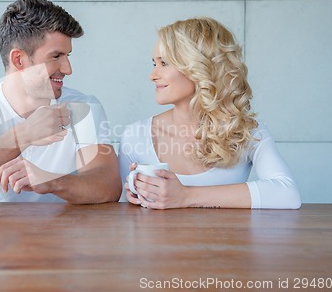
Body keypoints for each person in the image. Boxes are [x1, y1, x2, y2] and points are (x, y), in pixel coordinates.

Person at [0, 0, 121, 205]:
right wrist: (23, 135)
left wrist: (53, 182)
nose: (68, 69)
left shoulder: (83, 107)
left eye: (67, 56)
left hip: (62, 235)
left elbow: (108, 186)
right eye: (56, 56)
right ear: (19, 59)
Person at [118, 17, 301, 210]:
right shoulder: (135, 135)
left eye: (164, 63)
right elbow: (121, 210)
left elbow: (287, 194)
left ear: (199, 66)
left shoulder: (246, 131)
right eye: (154, 64)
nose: (153, 75)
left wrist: (185, 196)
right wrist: (134, 197)